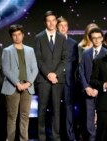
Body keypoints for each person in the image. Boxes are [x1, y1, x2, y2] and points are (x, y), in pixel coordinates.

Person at [1, 24, 38, 141]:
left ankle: (24, 139)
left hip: (27, 87)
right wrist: (17, 83)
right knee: (12, 116)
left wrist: (28, 83)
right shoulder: (7, 51)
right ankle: (10, 139)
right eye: (14, 35)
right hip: (12, 87)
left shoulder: (30, 50)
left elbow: (35, 68)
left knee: (25, 116)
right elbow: (6, 69)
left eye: (19, 34)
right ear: (11, 37)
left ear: (22, 35)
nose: (17, 37)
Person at [34, 11, 67, 141]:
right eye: (48, 20)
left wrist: (55, 74)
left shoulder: (61, 37)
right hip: (43, 79)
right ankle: (41, 136)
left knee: (56, 110)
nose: (51, 23)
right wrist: (48, 74)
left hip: (58, 80)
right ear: (45, 22)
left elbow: (64, 59)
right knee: (41, 109)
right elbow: (38, 59)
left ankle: (55, 136)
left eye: (54, 20)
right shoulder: (38, 37)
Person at [79, 28, 107, 141]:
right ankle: (92, 138)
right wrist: (86, 87)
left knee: (102, 118)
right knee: (89, 118)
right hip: (88, 91)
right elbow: (81, 71)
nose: (96, 40)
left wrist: (99, 89)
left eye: (98, 37)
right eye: (93, 38)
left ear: (102, 38)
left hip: (102, 92)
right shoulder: (86, 53)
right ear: (90, 39)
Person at [57, 16, 78, 141]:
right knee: (55, 109)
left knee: (69, 109)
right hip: (55, 81)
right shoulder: (52, 43)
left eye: (65, 25)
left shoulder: (73, 43)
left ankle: (70, 136)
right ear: (57, 27)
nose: (63, 28)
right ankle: (56, 135)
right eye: (61, 25)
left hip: (69, 82)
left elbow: (75, 64)